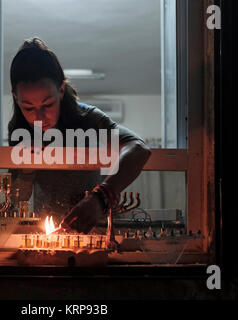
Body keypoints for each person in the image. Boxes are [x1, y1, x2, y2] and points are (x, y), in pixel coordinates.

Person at [8, 38, 151, 234]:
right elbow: (17, 199)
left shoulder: (88, 119)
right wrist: (26, 171)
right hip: (46, 235)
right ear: (16, 98)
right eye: (28, 107)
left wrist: (100, 197)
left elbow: (139, 149)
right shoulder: (19, 129)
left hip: (92, 231)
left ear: (61, 90)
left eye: (48, 104)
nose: (39, 117)